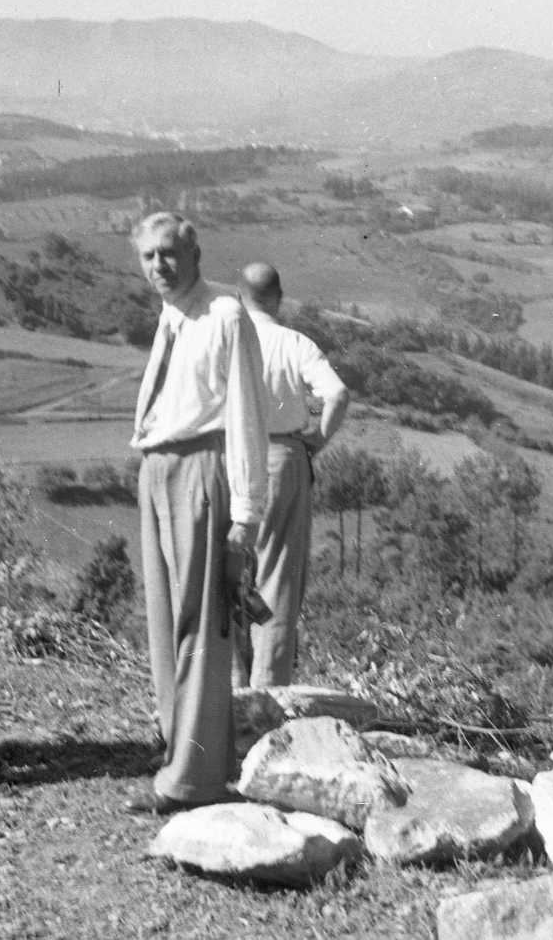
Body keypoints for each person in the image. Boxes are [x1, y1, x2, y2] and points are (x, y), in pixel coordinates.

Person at [131, 212, 268, 811]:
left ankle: (194, 780)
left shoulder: (224, 314)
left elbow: (245, 416)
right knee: (165, 624)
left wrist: (245, 515)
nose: (159, 265)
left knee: (200, 628)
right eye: (147, 257)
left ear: (195, 254)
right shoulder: (172, 315)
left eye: (169, 253)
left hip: (199, 474)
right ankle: (177, 751)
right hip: (158, 472)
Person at [233, 262, 350, 689]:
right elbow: (336, 393)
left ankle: (229, 683)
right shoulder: (294, 342)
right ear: (279, 297)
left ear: (239, 298)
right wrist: (317, 439)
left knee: (227, 569)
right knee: (277, 576)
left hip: (228, 455)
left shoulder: (227, 339)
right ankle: (267, 689)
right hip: (283, 457)